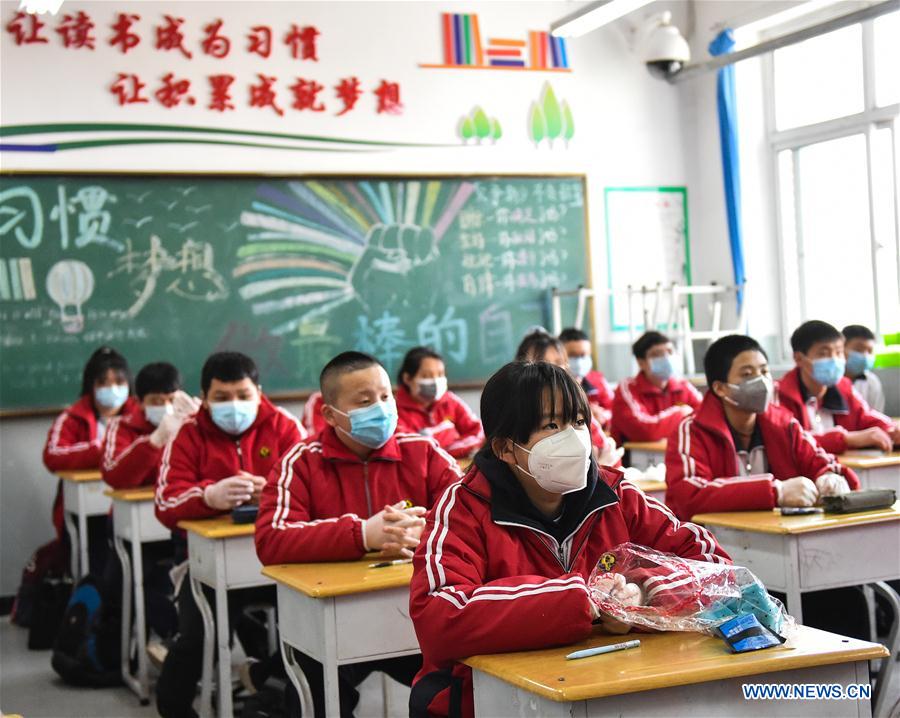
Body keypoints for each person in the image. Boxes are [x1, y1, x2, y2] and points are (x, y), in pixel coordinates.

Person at [407, 361, 730, 717]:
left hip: (612, 689)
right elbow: (438, 616)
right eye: (551, 425)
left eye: (578, 422)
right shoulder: (464, 507)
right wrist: (583, 601)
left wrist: (642, 595)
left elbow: (715, 566)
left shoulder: (615, 493)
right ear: (505, 448)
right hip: (493, 702)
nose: (574, 437)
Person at [256, 351, 462, 717]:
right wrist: (362, 534)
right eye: (365, 402)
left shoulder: (423, 451)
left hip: (416, 616)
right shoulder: (300, 462)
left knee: (460, 680)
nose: (380, 409)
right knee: (314, 686)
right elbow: (271, 538)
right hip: (335, 617)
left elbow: (472, 515)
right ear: (331, 415)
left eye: (385, 397)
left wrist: (425, 527)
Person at [154, 352, 306, 718]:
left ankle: (275, 690)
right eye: (221, 398)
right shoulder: (188, 435)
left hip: (280, 562)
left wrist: (272, 490)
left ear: (259, 392)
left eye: (243, 394)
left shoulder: (284, 426)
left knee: (310, 628)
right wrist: (208, 495)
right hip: (206, 564)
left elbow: (311, 490)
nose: (233, 405)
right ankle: (174, 708)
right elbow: (166, 503)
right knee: (197, 634)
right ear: (204, 399)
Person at [665, 335, 859, 521]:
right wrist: (775, 491)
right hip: (708, 545)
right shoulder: (692, 430)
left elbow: (821, 462)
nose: (762, 382)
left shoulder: (784, 424)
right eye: (747, 374)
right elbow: (690, 495)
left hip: (773, 537)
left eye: (765, 372)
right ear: (720, 388)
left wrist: (830, 478)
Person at [43, 346, 139, 571]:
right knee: (98, 551)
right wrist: (101, 450)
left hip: (130, 502)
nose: (112, 389)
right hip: (87, 511)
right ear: (91, 387)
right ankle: (92, 596)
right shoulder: (74, 416)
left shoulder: (139, 415)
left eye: (119, 382)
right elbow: (52, 455)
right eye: (103, 383)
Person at [776, 320, 898, 454]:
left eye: (839, 353)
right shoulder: (781, 396)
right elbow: (791, 443)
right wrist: (846, 439)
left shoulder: (844, 387)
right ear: (799, 358)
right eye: (823, 353)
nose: (834, 360)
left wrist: (891, 430)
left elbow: (866, 418)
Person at [515, 331, 620, 463]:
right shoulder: (515, 412)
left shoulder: (576, 405)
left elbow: (605, 448)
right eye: (542, 365)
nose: (553, 372)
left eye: (559, 363)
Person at [101, 362, 199, 489]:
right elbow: (113, 477)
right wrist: (154, 441)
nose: (166, 407)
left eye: (171, 400)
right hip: (135, 505)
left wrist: (201, 423)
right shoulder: (122, 426)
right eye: (156, 401)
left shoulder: (189, 423)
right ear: (139, 402)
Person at [610, 331, 702, 443]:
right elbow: (644, 431)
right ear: (641, 363)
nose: (666, 358)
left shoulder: (683, 386)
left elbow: (705, 415)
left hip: (675, 452)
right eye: (656, 354)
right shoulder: (628, 389)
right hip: (632, 457)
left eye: (670, 351)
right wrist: (681, 413)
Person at [394, 346, 484, 459]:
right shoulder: (394, 412)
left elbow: (479, 433)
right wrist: (448, 431)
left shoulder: (451, 401)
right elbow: (414, 450)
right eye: (426, 376)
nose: (436, 381)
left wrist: (432, 439)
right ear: (407, 378)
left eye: (440, 374)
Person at [559, 327, 614, 425]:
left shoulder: (598, 380)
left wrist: (602, 416)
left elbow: (614, 409)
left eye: (583, 355)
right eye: (572, 355)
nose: (579, 362)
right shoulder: (555, 386)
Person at [842, 324, 885, 413]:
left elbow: (876, 414)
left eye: (869, 351)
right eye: (858, 349)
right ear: (841, 348)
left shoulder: (872, 381)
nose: (865, 356)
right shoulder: (830, 380)